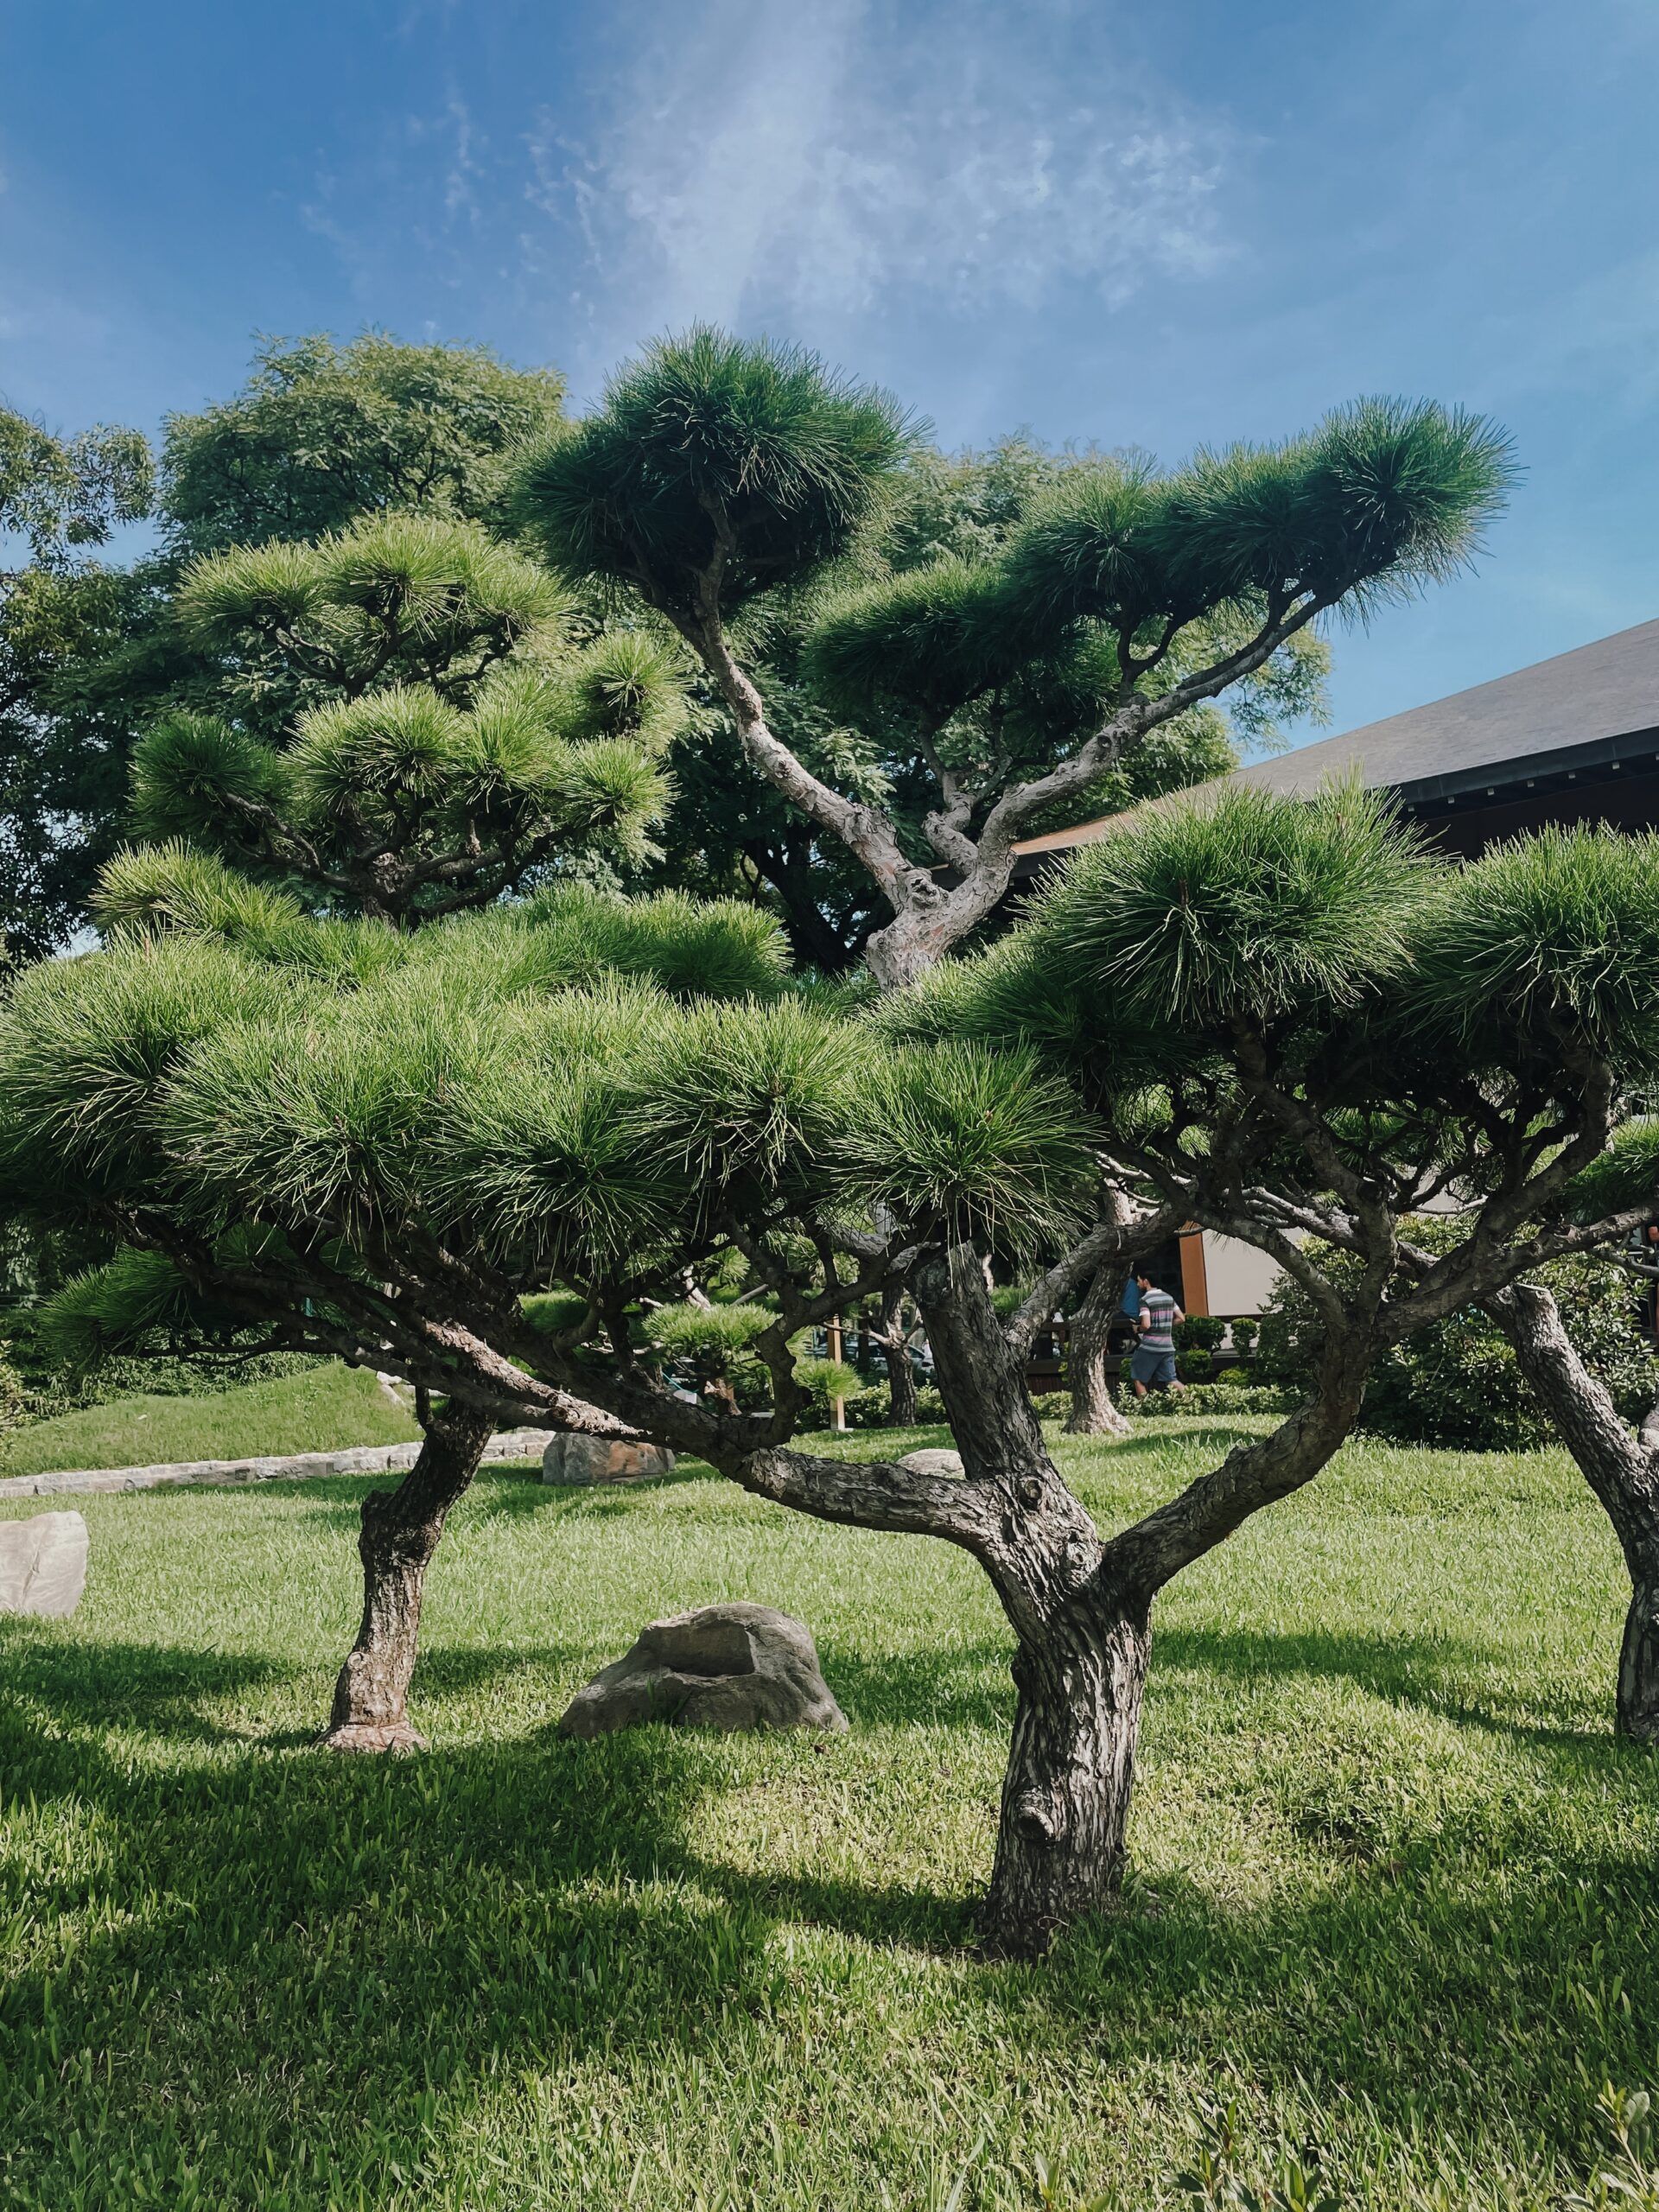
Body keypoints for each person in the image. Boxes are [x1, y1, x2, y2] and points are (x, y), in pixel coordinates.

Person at [1128, 1267, 1184, 1398]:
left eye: (1139, 1281)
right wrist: (1164, 1325)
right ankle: (1193, 1401)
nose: (1137, 1284)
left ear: (1146, 1281)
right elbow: (1181, 1318)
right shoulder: (1168, 1297)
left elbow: (1146, 1325)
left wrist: (1137, 1329)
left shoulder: (1145, 1300)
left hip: (1150, 1347)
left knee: (1138, 1379)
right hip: (1168, 1346)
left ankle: (1145, 1408)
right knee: (1171, 1379)